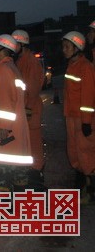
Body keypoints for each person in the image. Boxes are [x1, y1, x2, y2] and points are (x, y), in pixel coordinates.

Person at [0, 34, 33, 192]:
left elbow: (5, 101)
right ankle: (19, 212)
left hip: (5, 134)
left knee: (1, 174)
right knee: (19, 175)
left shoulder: (4, 70)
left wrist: (3, 127)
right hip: (16, 131)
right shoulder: (13, 68)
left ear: (0, 48)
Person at [61, 31, 95, 203]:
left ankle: (90, 190)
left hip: (82, 119)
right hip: (71, 117)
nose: (64, 50)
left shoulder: (85, 67)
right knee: (75, 152)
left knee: (86, 154)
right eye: (63, 47)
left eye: (67, 47)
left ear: (77, 48)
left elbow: (88, 97)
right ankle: (82, 187)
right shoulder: (72, 66)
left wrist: (87, 122)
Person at [11, 29, 46, 190]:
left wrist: (27, 109)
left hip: (30, 112)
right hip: (25, 112)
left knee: (34, 147)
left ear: (22, 44)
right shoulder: (20, 61)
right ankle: (32, 180)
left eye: (14, 44)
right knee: (28, 148)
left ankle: (37, 181)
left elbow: (31, 90)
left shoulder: (30, 62)